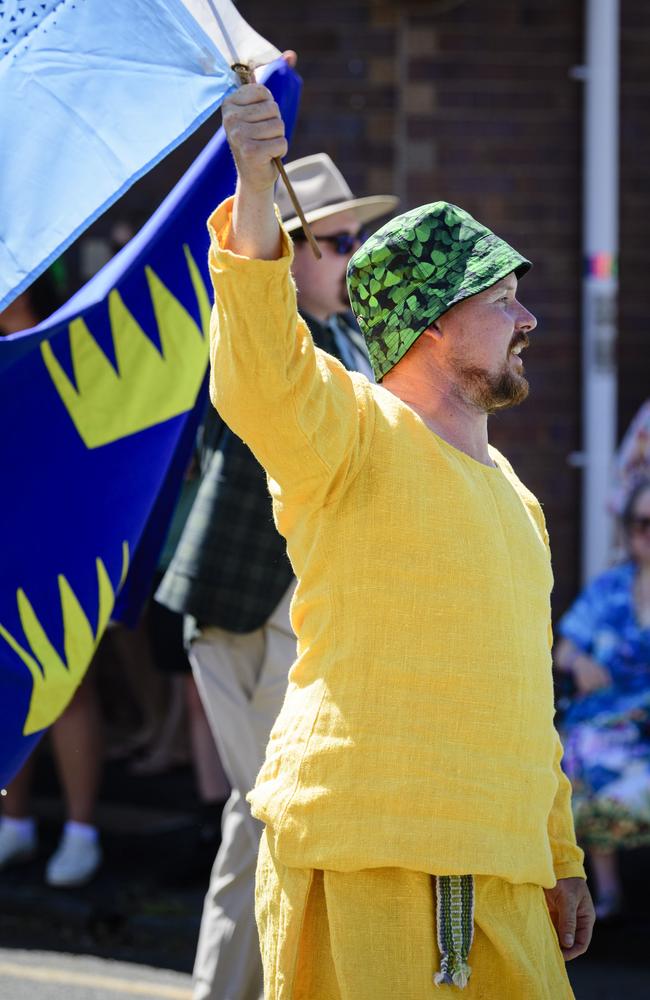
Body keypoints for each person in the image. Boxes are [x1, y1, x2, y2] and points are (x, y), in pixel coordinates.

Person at [206, 80, 595, 1000]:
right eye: (500, 299)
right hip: (363, 860)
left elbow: (525, 699)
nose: (529, 319)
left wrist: (559, 852)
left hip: (505, 879)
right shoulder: (347, 431)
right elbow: (260, 371)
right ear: (431, 322)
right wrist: (257, 188)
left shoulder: (520, 501)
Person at [156, 148, 397, 997]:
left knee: (260, 818)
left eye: (356, 237)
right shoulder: (262, 333)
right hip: (247, 605)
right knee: (276, 816)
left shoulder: (348, 335)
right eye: (337, 240)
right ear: (289, 251)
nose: (354, 254)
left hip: (314, 615)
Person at [0, 273, 104, 888]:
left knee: (67, 680)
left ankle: (82, 827)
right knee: (10, 679)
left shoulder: (74, 335)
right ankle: (14, 820)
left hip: (60, 533)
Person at [555, 479, 650, 919]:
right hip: (602, 721)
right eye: (642, 524)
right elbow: (565, 647)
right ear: (629, 531)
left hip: (643, 723)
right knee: (580, 753)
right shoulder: (611, 586)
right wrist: (579, 663)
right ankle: (607, 894)